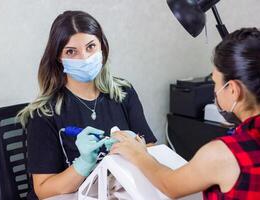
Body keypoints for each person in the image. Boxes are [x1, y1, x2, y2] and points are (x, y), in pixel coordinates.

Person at [17, 10, 157, 200]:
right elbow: (43, 189)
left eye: (91, 47)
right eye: (71, 51)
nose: (84, 58)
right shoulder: (43, 113)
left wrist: (135, 148)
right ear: (58, 57)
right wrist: (83, 164)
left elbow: (150, 151)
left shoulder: (124, 93)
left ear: (102, 48)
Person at [110, 28, 260, 199]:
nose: (215, 91)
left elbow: (169, 185)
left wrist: (137, 153)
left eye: (215, 83)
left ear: (233, 90)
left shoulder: (224, 154)